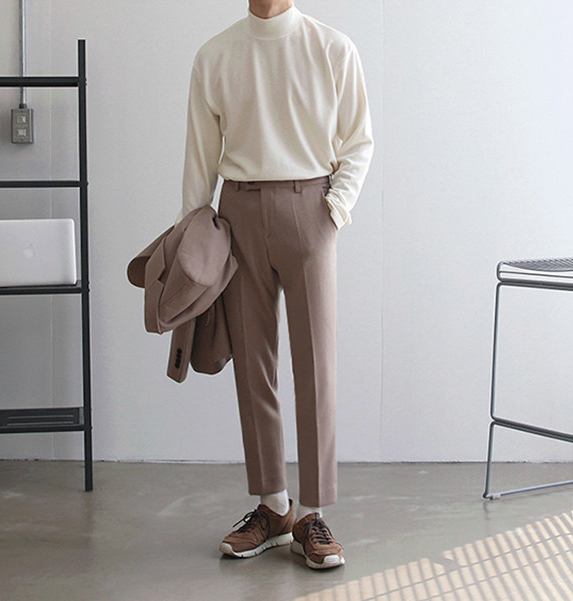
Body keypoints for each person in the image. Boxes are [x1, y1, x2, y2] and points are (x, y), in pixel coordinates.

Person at [178, 0, 374, 570]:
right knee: (252, 363)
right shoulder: (215, 55)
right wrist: (192, 236)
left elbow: (359, 140)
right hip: (236, 212)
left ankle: (311, 512)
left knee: (315, 365)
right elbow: (199, 156)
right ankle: (273, 504)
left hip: (310, 205)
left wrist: (333, 211)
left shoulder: (332, 48)